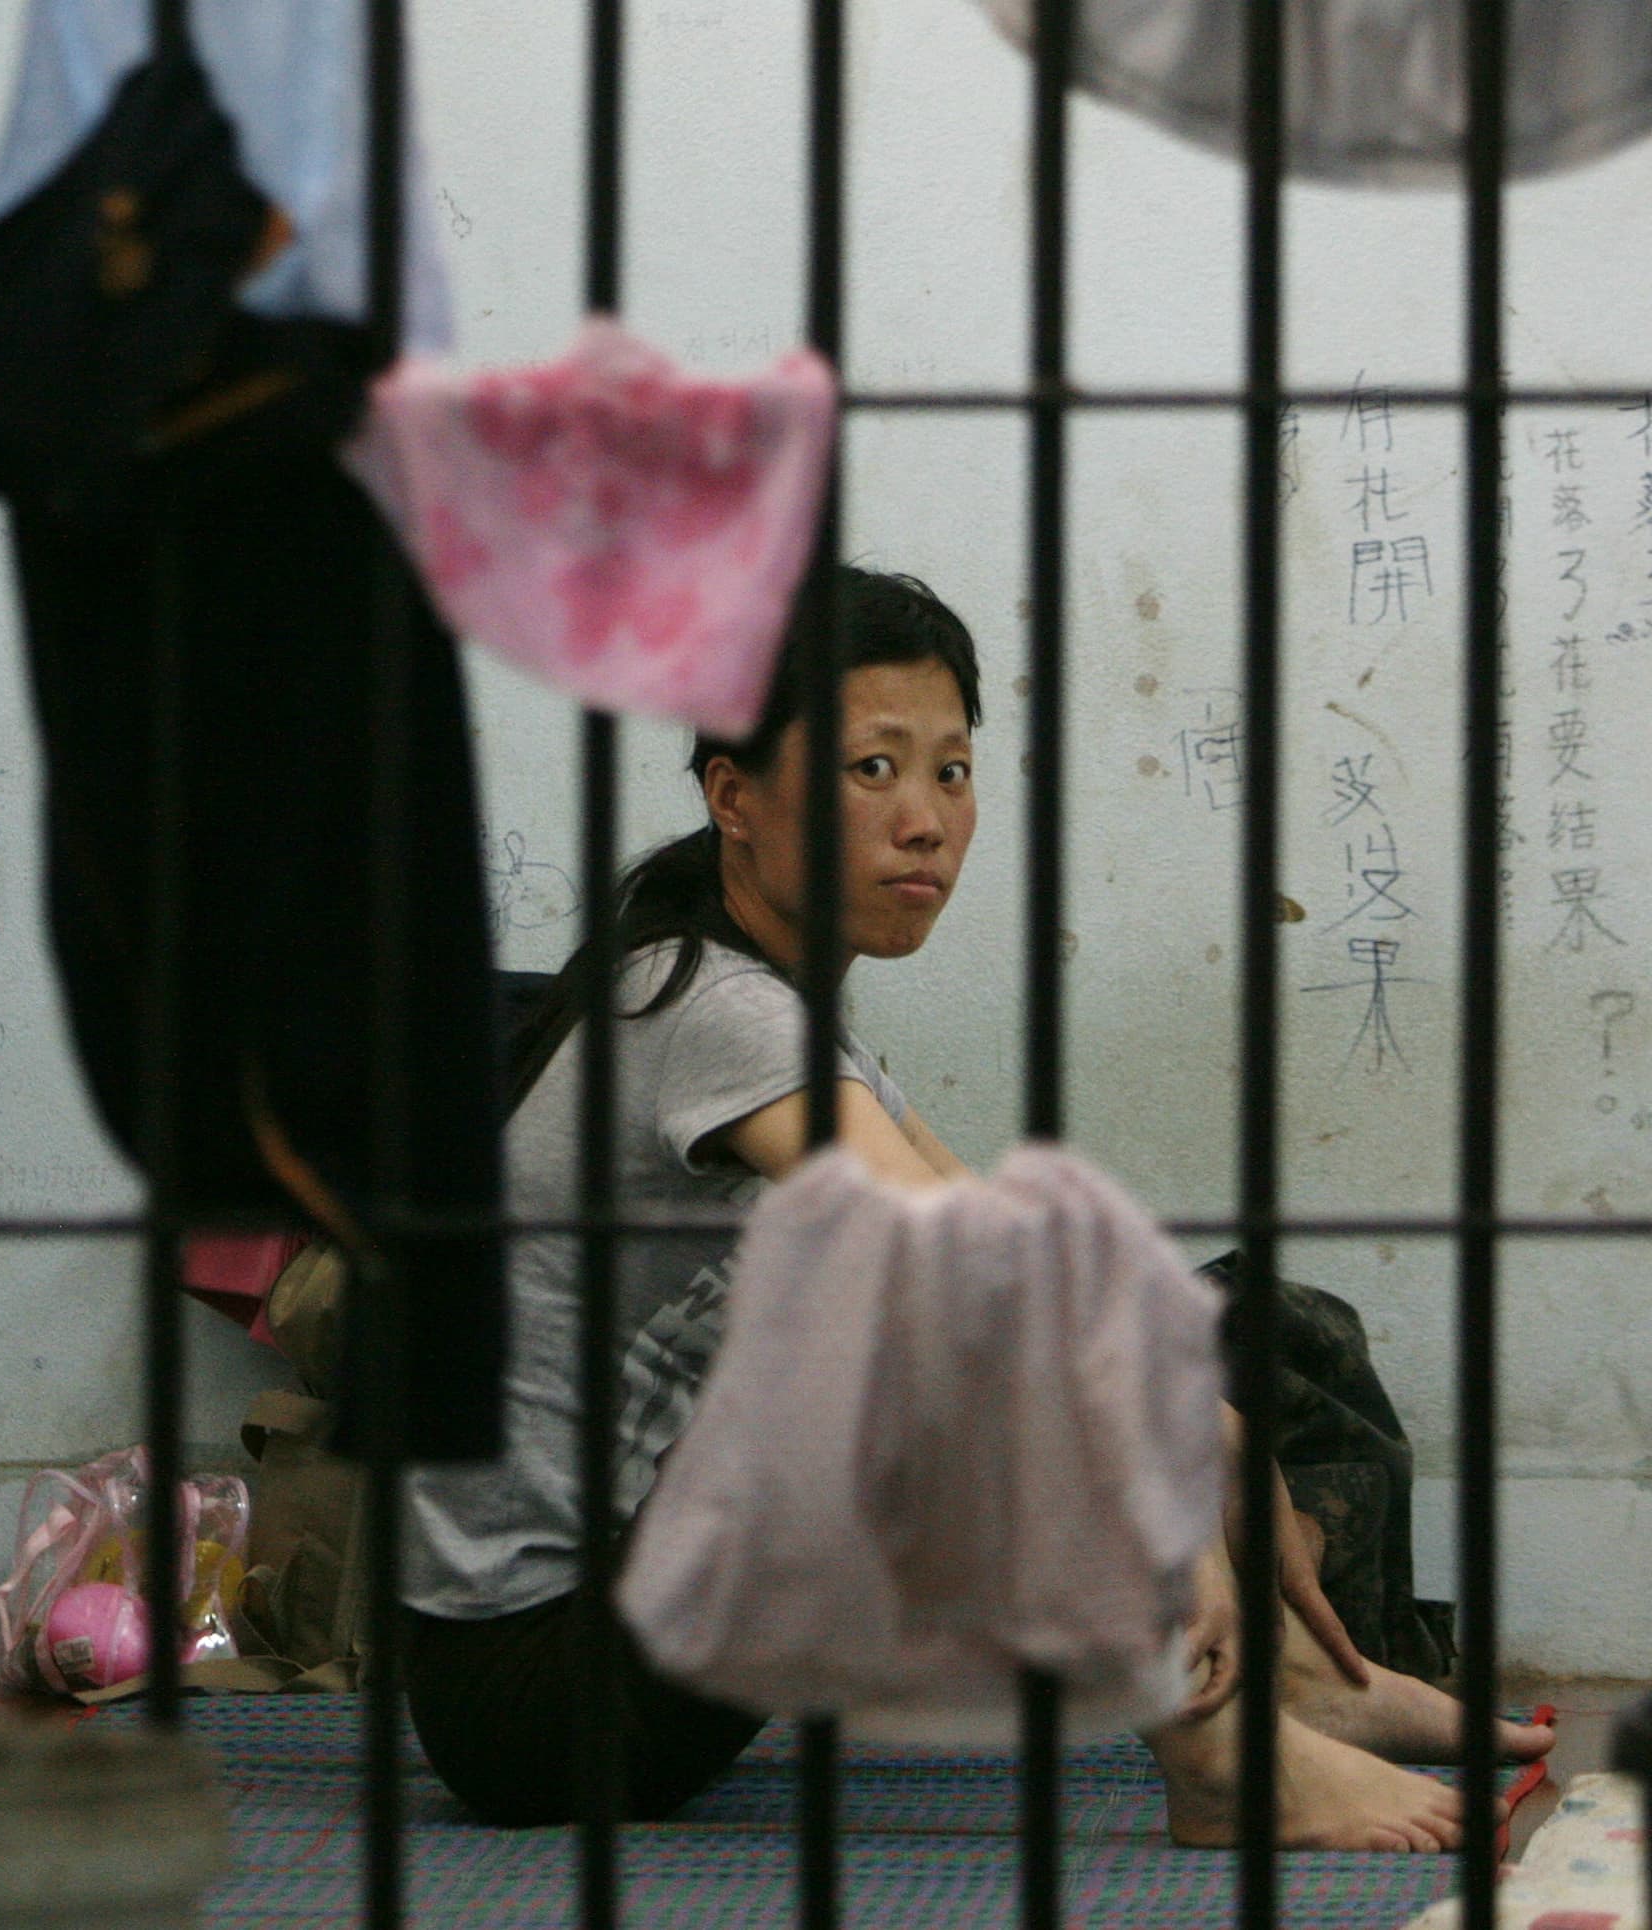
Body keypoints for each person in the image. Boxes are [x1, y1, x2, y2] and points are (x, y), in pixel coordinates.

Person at [399, 564, 1551, 1847]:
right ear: (735, 797)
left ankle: (1304, 1690)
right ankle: (1223, 1757)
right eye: (869, 768)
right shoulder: (700, 1005)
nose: (925, 819)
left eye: (951, 771)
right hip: (533, 1694)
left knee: (1250, 1323)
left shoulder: (781, 1011)